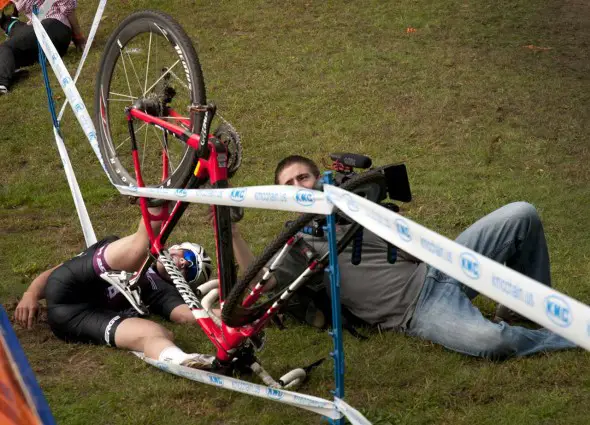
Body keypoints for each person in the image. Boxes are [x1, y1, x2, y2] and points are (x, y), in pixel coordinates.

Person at [230, 154, 577, 360]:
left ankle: (522, 306)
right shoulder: (296, 246)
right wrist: (232, 234)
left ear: (319, 178)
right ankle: (571, 336)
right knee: (492, 341)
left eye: (303, 177)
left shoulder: (355, 203)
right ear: (278, 195)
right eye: (287, 184)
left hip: (442, 265)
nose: (298, 187)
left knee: (522, 213)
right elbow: (258, 284)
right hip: (418, 310)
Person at [14, 205, 215, 368]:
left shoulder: (163, 291)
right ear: (176, 247)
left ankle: (178, 359)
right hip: (67, 286)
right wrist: (31, 293)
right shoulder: (115, 244)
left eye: (190, 270)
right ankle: (158, 203)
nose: (183, 263)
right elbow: (61, 270)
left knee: (158, 333)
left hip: (75, 318)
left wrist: (234, 313)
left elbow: (187, 315)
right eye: (188, 256)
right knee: (139, 249)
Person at [0, 0, 86, 95]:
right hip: (50, 45)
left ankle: (2, 83)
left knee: (6, 47)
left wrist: (78, 35)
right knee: (7, 54)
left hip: (54, 27)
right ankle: (9, 75)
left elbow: (66, 4)